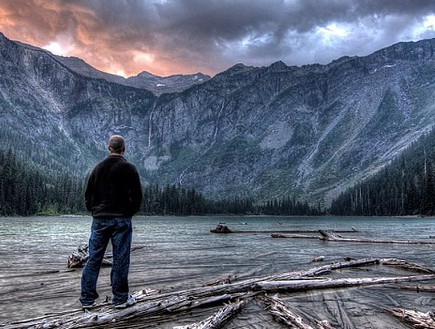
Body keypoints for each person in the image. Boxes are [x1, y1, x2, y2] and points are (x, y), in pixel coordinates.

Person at [80, 135, 142, 310]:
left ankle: (87, 300)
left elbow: (88, 196)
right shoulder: (129, 168)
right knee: (121, 259)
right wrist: (129, 212)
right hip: (121, 220)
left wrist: (95, 211)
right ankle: (120, 299)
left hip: (99, 220)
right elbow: (137, 197)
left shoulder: (98, 168)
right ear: (123, 148)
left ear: (109, 148)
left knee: (93, 259)